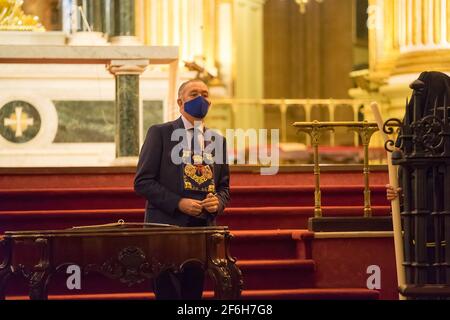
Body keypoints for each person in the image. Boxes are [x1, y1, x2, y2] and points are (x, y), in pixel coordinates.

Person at [134, 79, 230, 299]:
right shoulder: (160, 133)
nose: (201, 99)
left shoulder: (217, 140)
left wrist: (218, 203)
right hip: (166, 228)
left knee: (192, 294)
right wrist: (178, 203)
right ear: (180, 102)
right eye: (194, 94)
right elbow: (142, 181)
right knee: (167, 293)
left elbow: (224, 187)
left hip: (201, 230)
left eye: (205, 94)